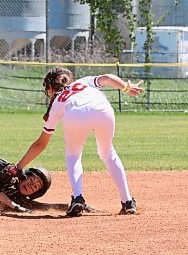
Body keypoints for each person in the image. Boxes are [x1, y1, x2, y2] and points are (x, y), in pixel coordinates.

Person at [14, 68, 144, 216]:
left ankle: (77, 198)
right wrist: (126, 88)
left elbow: (40, 144)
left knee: (73, 155)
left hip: (75, 115)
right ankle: (128, 202)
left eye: (47, 89)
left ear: (50, 88)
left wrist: (18, 167)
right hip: (103, 111)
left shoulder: (57, 102)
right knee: (107, 153)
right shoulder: (83, 82)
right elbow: (107, 78)